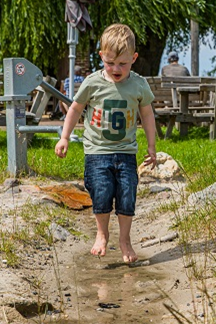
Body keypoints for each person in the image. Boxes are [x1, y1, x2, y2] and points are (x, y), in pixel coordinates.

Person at [55, 23, 157, 263]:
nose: (116, 68)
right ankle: (102, 234)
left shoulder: (139, 84)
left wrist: (151, 146)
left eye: (122, 63)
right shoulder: (93, 82)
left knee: (126, 196)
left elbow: (148, 115)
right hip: (97, 151)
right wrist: (64, 137)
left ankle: (125, 240)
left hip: (126, 152)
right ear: (101, 56)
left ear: (134, 58)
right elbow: (75, 109)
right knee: (101, 193)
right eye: (110, 63)